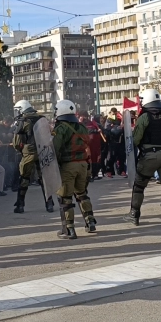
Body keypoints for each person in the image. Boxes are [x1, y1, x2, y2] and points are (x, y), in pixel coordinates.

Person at [123, 89, 161, 228]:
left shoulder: (145, 117)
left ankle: (134, 214)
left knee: (139, 186)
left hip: (149, 155)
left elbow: (136, 139)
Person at [52, 100, 95, 239]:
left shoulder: (60, 128)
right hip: (82, 164)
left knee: (65, 198)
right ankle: (90, 222)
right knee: (82, 194)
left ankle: (69, 229)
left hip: (68, 165)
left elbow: (55, 148)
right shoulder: (81, 127)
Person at [11, 100, 54, 213]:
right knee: (43, 179)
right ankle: (49, 203)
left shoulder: (22, 121)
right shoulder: (41, 118)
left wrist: (22, 150)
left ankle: (20, 205)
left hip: (28, 153)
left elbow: (16, 143)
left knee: (24, 178)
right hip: (43, 152)